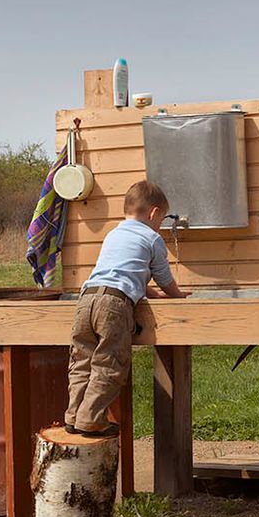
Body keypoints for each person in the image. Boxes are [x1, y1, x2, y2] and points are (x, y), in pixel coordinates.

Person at [64, 179, 186, 436]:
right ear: (154, 213)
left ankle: (73, 415)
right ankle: (91, 419)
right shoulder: (152, 238)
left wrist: (153, 295)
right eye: (161, 219)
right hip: (114, 305)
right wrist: (177, 298)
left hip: (87, 299)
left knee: (82, 360)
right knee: (109, 362)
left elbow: (126, 273)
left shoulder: (114, 234)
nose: (159, 225)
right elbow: (163, 277)